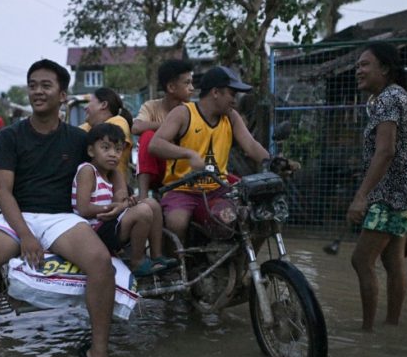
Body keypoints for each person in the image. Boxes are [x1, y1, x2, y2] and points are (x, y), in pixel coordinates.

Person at [0, 59, 121, 357]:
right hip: (17, 215)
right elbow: (3, 192)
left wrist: (123, 200)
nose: (37, 91)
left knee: (102, 263)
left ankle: (98, 352)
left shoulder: (79, 140)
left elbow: (113, 165)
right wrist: (26, 236)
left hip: (62, 218)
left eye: (46, 85)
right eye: (32, 85)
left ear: (62, 94)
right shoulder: (10, 136)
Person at [347, 41, 407, 332]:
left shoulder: (388, 99)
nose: (359, 70)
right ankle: (391, 327)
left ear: (385, 68)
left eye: (365, 64)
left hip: (392, 194)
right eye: (357, 65)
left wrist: (361, 196)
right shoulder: (398, 97)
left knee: (361, 260)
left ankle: (366, 333)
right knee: (393, 259)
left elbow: (386, 151)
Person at [149, 66, 270, 242]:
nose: (234, 101)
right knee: (177, 222)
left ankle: (232, 264)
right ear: (215, 92)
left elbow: (251, 145)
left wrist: (272, 161)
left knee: (240, 218)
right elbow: (155, 145)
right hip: (181, 189)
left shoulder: (231, 117)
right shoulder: (183, 113)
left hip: (217, 189)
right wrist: (189, 154)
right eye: (232, 95)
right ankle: (176, 266)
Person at [72, 123, 176, 277]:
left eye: (118, 149)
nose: (113, 154)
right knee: (143, 211)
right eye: (106, 148)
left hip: (110, 223)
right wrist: (115, 208)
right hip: (93, 231)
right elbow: (83, 209)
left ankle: (157, 256)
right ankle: (137, 262)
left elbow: (121, 199)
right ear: (91, 151)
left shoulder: (113, 173)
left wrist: (125, 203)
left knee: (152, 204)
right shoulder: (88, 171)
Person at [132, 59, 195, 200]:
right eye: (187, 83)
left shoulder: (193, 110)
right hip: (159, 170)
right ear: (171, 87)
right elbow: (136, 128)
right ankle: (142, 198)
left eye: (192, 82)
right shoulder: (152, 107)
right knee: (147, 136)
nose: (192, 87)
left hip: (185, 170)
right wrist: (170, 126)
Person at [81, 87, 134, 181]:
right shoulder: (90, 126)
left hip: (114, 189)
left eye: (90, 102)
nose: (85, 107)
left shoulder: (118, 121)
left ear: (103, 104)